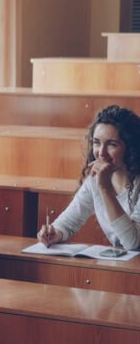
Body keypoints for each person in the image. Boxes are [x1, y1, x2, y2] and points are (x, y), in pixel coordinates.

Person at [39, 105, 140, 250]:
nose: (101, 153)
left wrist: (104, 188)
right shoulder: (96, 181)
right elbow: (67, 223)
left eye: (112, 144)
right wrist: (54, 233)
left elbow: (133, 243)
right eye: (97, 142)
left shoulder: (102, 181)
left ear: (131, 149)